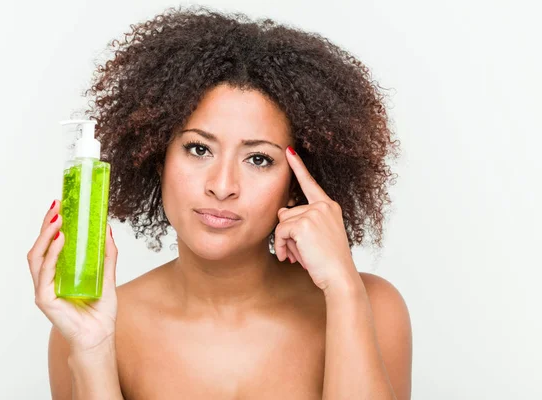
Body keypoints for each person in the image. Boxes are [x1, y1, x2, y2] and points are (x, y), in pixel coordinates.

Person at [27, 5, 412, 400]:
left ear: (297, 184)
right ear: (157, 157)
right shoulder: (87, 325)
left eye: (258, 159)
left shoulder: (370, 307)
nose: (222, 186)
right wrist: (93, 349)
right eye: (198, 149)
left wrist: (343, 288)